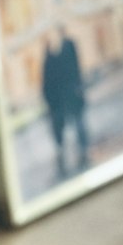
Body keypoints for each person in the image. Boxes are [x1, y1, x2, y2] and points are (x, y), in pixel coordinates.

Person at [40, 24, 90, 177]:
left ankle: (83, 150)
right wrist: (49, 100)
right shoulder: (49, 57)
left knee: (78, 123)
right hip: (58, 100)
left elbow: (75, 70)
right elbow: (47, 82)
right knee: (60, 127)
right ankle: (63, 151)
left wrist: (78, 88)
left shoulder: (68, 47)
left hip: (71, 95)